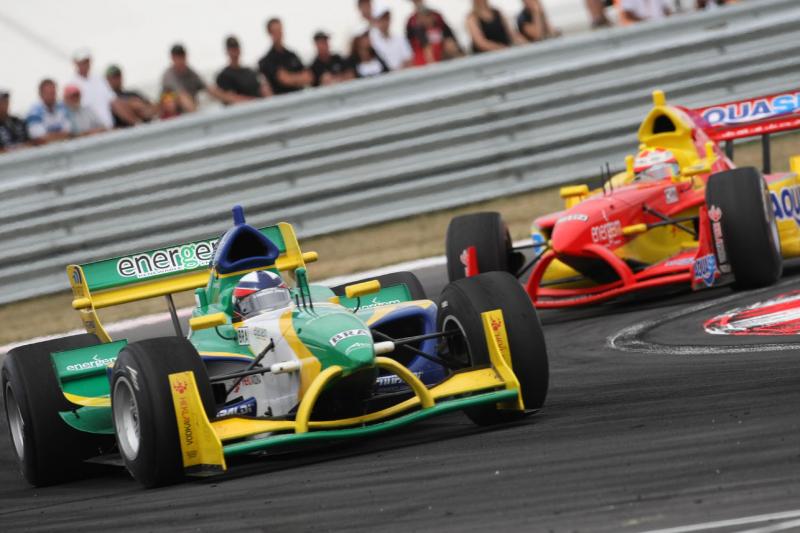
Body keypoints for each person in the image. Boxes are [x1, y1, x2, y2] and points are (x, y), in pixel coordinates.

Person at [69, 48, 137, 129]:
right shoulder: (71, 84)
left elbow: (114, 102)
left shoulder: (99, 78)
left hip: (109, 128)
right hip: (93, 131)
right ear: (75, 63)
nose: (85, 64)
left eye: (87, 61)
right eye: (82, 62)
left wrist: (135, 123)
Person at [162, 43, 231, 114]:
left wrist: (230, 98)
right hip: (175, 115)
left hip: (191, 111)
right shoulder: (168, 76)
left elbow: (209, 89)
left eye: (182, 56)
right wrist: (198, 115)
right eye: (177, 57)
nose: (180, 60)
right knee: (177, 99)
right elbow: (182, 96)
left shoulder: (190, 73)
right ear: (172, 58)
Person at [258, 18, 313, 95]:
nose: (279, 34)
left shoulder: (292, 55)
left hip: (300, 98)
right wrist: (299, 78)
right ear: (269, 33)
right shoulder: (266, 61)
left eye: (280, 30)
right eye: (275, 31)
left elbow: (309, 77)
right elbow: (284, 79)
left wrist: (291, 78)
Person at [216, 36, 272, 104]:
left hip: (261, 107)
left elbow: (264, 89)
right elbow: (231, 98)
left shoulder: (251, 72)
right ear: (227, 51)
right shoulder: (223, 76)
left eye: (236, 48)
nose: (234, 52)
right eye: (232, 49)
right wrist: (256, 101)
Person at [26, 79, 72, 145]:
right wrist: (60, 135)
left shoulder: (62, 107)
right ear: (40, 94)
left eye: (53, 93)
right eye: (48, 93)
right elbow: (39, 138)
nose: (51, 96)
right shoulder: (34, 112)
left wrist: (50, 136)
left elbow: (69, 132)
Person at [369, 2, 413, 71]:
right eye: (381, 19)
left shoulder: (400, 39)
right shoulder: (371, 42)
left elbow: (408, 60)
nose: (384, 22)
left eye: (386, 18)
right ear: (375, 21)